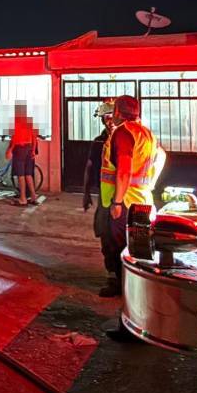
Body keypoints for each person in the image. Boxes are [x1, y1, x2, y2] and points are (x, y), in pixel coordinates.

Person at [101, 94, 161, 297]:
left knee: (118, 243)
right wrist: (150, 183)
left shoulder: (123, 132)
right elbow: (162, 157)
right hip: (143, 198)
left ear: (117, 112)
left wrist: (117, 202)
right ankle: (138, 285)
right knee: (137, 244)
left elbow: (124, 170)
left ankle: (121, 285)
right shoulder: (146, 133)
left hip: (125, 200)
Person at [82, 101, 119, 286]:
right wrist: (86, 193)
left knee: (123, 237)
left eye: (112, 117)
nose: (110, 121)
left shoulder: (127, 139)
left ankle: (125, 275)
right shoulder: (99, 141)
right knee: (105, 234)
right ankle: (112, 274)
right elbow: (89, 167)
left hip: (125, 200)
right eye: (106, 118)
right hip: (106, 199)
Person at [6, 101, 42, 206]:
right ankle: (34, 197)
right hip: (29, 147)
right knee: (28, 174)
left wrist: (10, 149)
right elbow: (34, 137)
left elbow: (15, 138)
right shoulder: (30, 121)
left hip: (20, 148)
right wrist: (33, 150)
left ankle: (23, 199)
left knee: (21, 175)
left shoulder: (16, 121)